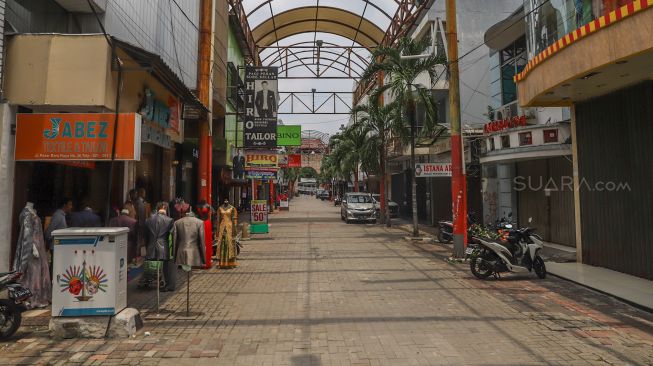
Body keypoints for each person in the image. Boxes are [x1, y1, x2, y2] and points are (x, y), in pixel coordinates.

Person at [13, 202, 51, 308]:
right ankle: (31, 298)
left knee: (38, 272)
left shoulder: (32, 212)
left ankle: (39, 297)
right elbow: (27, 233)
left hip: (39, 246)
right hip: (32, 247)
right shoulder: (26, 213)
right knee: (33, 273)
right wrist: (33, 247)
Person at [145, 203, 175, 291]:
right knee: (166, 266)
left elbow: (146, 235)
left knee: (152, 265)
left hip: (151, 246)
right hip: (163, 247)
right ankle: (168, 284)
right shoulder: (169, 220)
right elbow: (173, 235)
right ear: (165, 209)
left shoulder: (148, 220)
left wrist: (148, 246)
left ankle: (149, 281)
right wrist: (173, 248)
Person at [216, 199, 238, 269]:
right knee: (222, 244)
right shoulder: (220, 208)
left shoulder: (232, 208)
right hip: (222, 226)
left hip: (230, 226)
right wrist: (217, 230)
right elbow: (218, 220)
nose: (225, 201)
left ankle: (231, 262)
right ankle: (222, 263)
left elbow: (234, 219)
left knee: (230, 243)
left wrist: (234, 229)